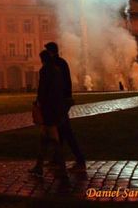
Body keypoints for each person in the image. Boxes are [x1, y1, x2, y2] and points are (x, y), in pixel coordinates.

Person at [45, 41, 86, 171]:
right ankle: (57, 159)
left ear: (50, 51)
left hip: (59, 103)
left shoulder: (55, 64)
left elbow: (58, 84)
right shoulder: (61, 62)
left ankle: (80, 160)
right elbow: (67, 82)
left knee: (66, 132)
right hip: (62, 101)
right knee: (61, 132)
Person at [30, 49, 67, 179]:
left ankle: (61, 167)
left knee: (53, 138)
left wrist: (38, 102)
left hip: (48, 109)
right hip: (56, 107)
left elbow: (42, 90)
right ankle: (39, 166)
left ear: (43, 59)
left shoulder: (45, 71)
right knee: (44, 138)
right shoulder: (56, 70)